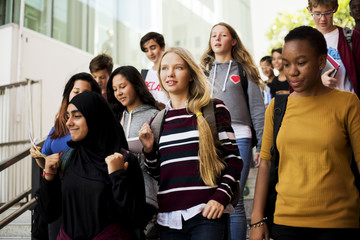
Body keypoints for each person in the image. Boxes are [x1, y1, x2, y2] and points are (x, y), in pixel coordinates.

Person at [250, 26, 360, 240]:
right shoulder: (277, 107)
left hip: (339, 224)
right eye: (287, 63)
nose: (292, 71)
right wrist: (257, 218)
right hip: (285, 223)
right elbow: (264, 163)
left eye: (301, 63)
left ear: (321, 61)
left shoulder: (348, 103)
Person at [138, 47, 242, 240]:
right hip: (168, 220)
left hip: (206, 214)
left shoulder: (214, 108)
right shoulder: (158, 120)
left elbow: (234, 161)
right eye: (164, 68)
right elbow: (157, 174)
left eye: (178, 68)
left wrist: (220, 198)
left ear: (191, 75)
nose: (170, 73)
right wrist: (149, 149)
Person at [38, 90, 146, 239]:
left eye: (77, 116)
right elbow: (49, 215)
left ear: (95, 118)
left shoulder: (124, 161)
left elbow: (136, 218)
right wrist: (49, 178)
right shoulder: (66, 159)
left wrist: (117, 176)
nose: (69, 122)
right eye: (68, 116)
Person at [200, 22, 265, 240]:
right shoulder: (202, 73)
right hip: (210, 138)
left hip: (241, 137)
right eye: (213, 35)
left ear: (233, 40)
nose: (217, 39)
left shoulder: (245, 70)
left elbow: (257, 109)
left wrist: (263, 146)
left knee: (234, 200)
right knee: (214, 196)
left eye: (223, 35)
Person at [30, 72, 101, 240]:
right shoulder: (59, 127)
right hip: (56, 198)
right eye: (76, 92)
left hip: (82, 201)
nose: (79, 97)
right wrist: (39, 157)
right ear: (68, 94)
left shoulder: (97, 127)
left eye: (85, 93)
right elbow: (47, 161)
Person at [106, 65, 159, 238]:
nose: (118, 92)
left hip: (146, 194)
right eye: (114, 89)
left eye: (122, 86)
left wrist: (147, 148)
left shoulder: (155, 116)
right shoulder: (115, 119)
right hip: (118, 191)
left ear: (136, 84)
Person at [307, 0, 360, 97]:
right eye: (317, 13)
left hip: (348, 103)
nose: (323, 19)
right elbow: (297, 78)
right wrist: (318, 82)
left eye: (327, 13)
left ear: (335, 9)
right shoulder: (304, 42)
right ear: (309, 10)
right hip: (319, 105)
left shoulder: (350, 37)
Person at [140, 32, 169, 108]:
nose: (150, 53)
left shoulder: (170, 73)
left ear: (162, 47)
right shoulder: (145, 74)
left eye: (153, 48)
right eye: (146, 50)